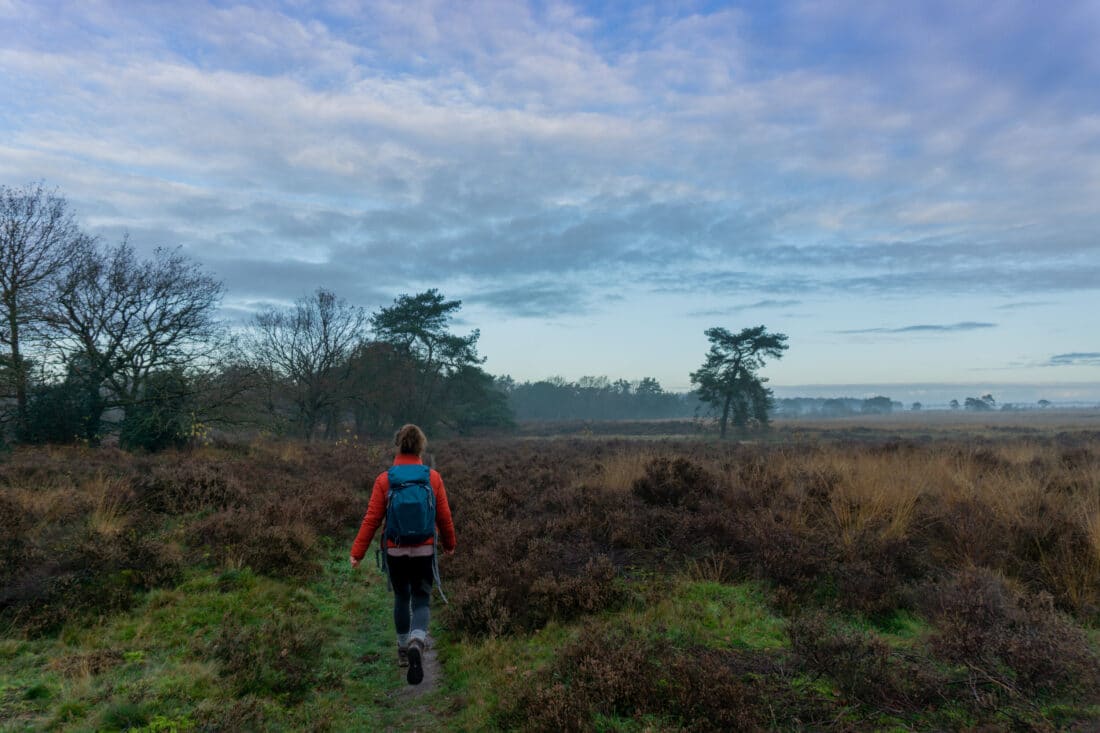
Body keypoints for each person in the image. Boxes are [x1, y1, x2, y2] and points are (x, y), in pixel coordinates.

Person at [350, 424, 456, 685]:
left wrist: (357, 553)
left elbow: (372, 519)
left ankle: (401, 650)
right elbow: (444, 517)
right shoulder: (433, 478)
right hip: (424, 547)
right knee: (421, 598)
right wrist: (450, 544)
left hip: (395, 550)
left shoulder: (385, 480)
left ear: (398, 445)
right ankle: (417, 642)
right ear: (421, 447)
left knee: (401, 596)